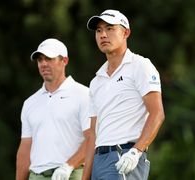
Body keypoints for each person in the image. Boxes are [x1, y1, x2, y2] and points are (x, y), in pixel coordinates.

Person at [82, 10, 165, 180]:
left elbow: (157, 114)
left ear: (126, 32)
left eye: (110, 28)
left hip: (125, 156)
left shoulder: (140, 66)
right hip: (99, 160)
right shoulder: (96, 81)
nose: (103, 35)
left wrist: (136, 151)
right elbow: (93, 134)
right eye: (98, 31)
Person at [16, 38, 90, 180]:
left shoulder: (84, 95)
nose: (43, 64)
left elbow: (92, 139)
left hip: (71, 174)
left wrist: (68, 166)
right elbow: (25, 150)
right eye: (40, 60)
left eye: (49, 59)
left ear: (64, 61)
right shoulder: (30, 103)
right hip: (36, 176)